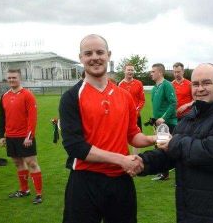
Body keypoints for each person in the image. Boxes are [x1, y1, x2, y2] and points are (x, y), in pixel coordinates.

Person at [139, 63, 213, 222]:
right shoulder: (192, 115)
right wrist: (142, 162)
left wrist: (174, 142)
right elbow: (172, 154)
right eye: (195, 84)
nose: (200, 88)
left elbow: (210, 153)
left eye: (206, 83)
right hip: (195, 210)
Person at [59, 34, 155, 223]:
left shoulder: (124, 96)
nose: (95, 57)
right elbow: (75, 146)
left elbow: (133, 135)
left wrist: (154, 140)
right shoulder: (71, 97)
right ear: (81, 58)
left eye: (100, 52)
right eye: (88, 53)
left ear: (108, 55)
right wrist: (122, 160)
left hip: (120, 181)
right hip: (84, 181)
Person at [0, 69, 43, 204]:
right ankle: (24, 190)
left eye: (14, 77)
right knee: (18, 163)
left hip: (25, 137)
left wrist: (29, 136)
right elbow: (2, 117)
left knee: (32, 163)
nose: (11, 80)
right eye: (9, 78)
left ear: (20, 78)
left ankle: (39, 194)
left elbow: (32, 117)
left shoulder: (28, 95)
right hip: (11, 137)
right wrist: (2, 135)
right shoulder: (4, 96)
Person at [149, 63, 177, 181]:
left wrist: (164, 118)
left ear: (160, 72)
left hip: (167, 122)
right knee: (159, 146)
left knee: (164, 147)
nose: (151, 73)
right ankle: (163, 172)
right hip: (158, 122)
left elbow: (173, 103)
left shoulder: (167, 85)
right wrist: (154, 120)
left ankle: (165, 173)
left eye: (153, 71)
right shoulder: (155, 87)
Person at [118, 63, 146, 154]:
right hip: (124, 117)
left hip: (136, 116)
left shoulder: (138, 83)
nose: (130, 72)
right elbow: (118, 101)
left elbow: (142, 100)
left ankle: (136, 158)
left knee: (136, 138)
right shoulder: (120, 84)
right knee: (122, 137)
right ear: (124, 71)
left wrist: (136, 111)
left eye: (132, 70)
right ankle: (124, 157)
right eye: (128, 70)